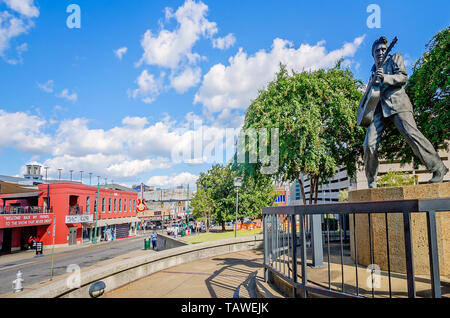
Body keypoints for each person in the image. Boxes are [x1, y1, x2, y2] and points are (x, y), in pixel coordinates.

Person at [362, 36, 448, 188]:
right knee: (369, 144)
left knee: (412, 135)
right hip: (378, 110)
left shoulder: (395, 57)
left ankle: (438, 168)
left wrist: (386, 78)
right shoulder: (372, 71)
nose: (381, 52)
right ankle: (371, 181)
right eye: (377, 50)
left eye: (383, 49)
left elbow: (403, 77)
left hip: (397, 103)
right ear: (372, 54)